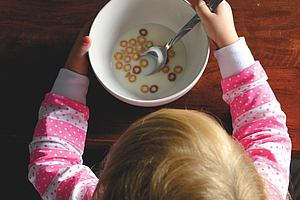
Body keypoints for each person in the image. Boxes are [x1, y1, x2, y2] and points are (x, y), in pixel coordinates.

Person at [28, 0, 291, 199]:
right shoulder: (261, 191)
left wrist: (72, 77)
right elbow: (267, 130)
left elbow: (51, 163)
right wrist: (228, 42)